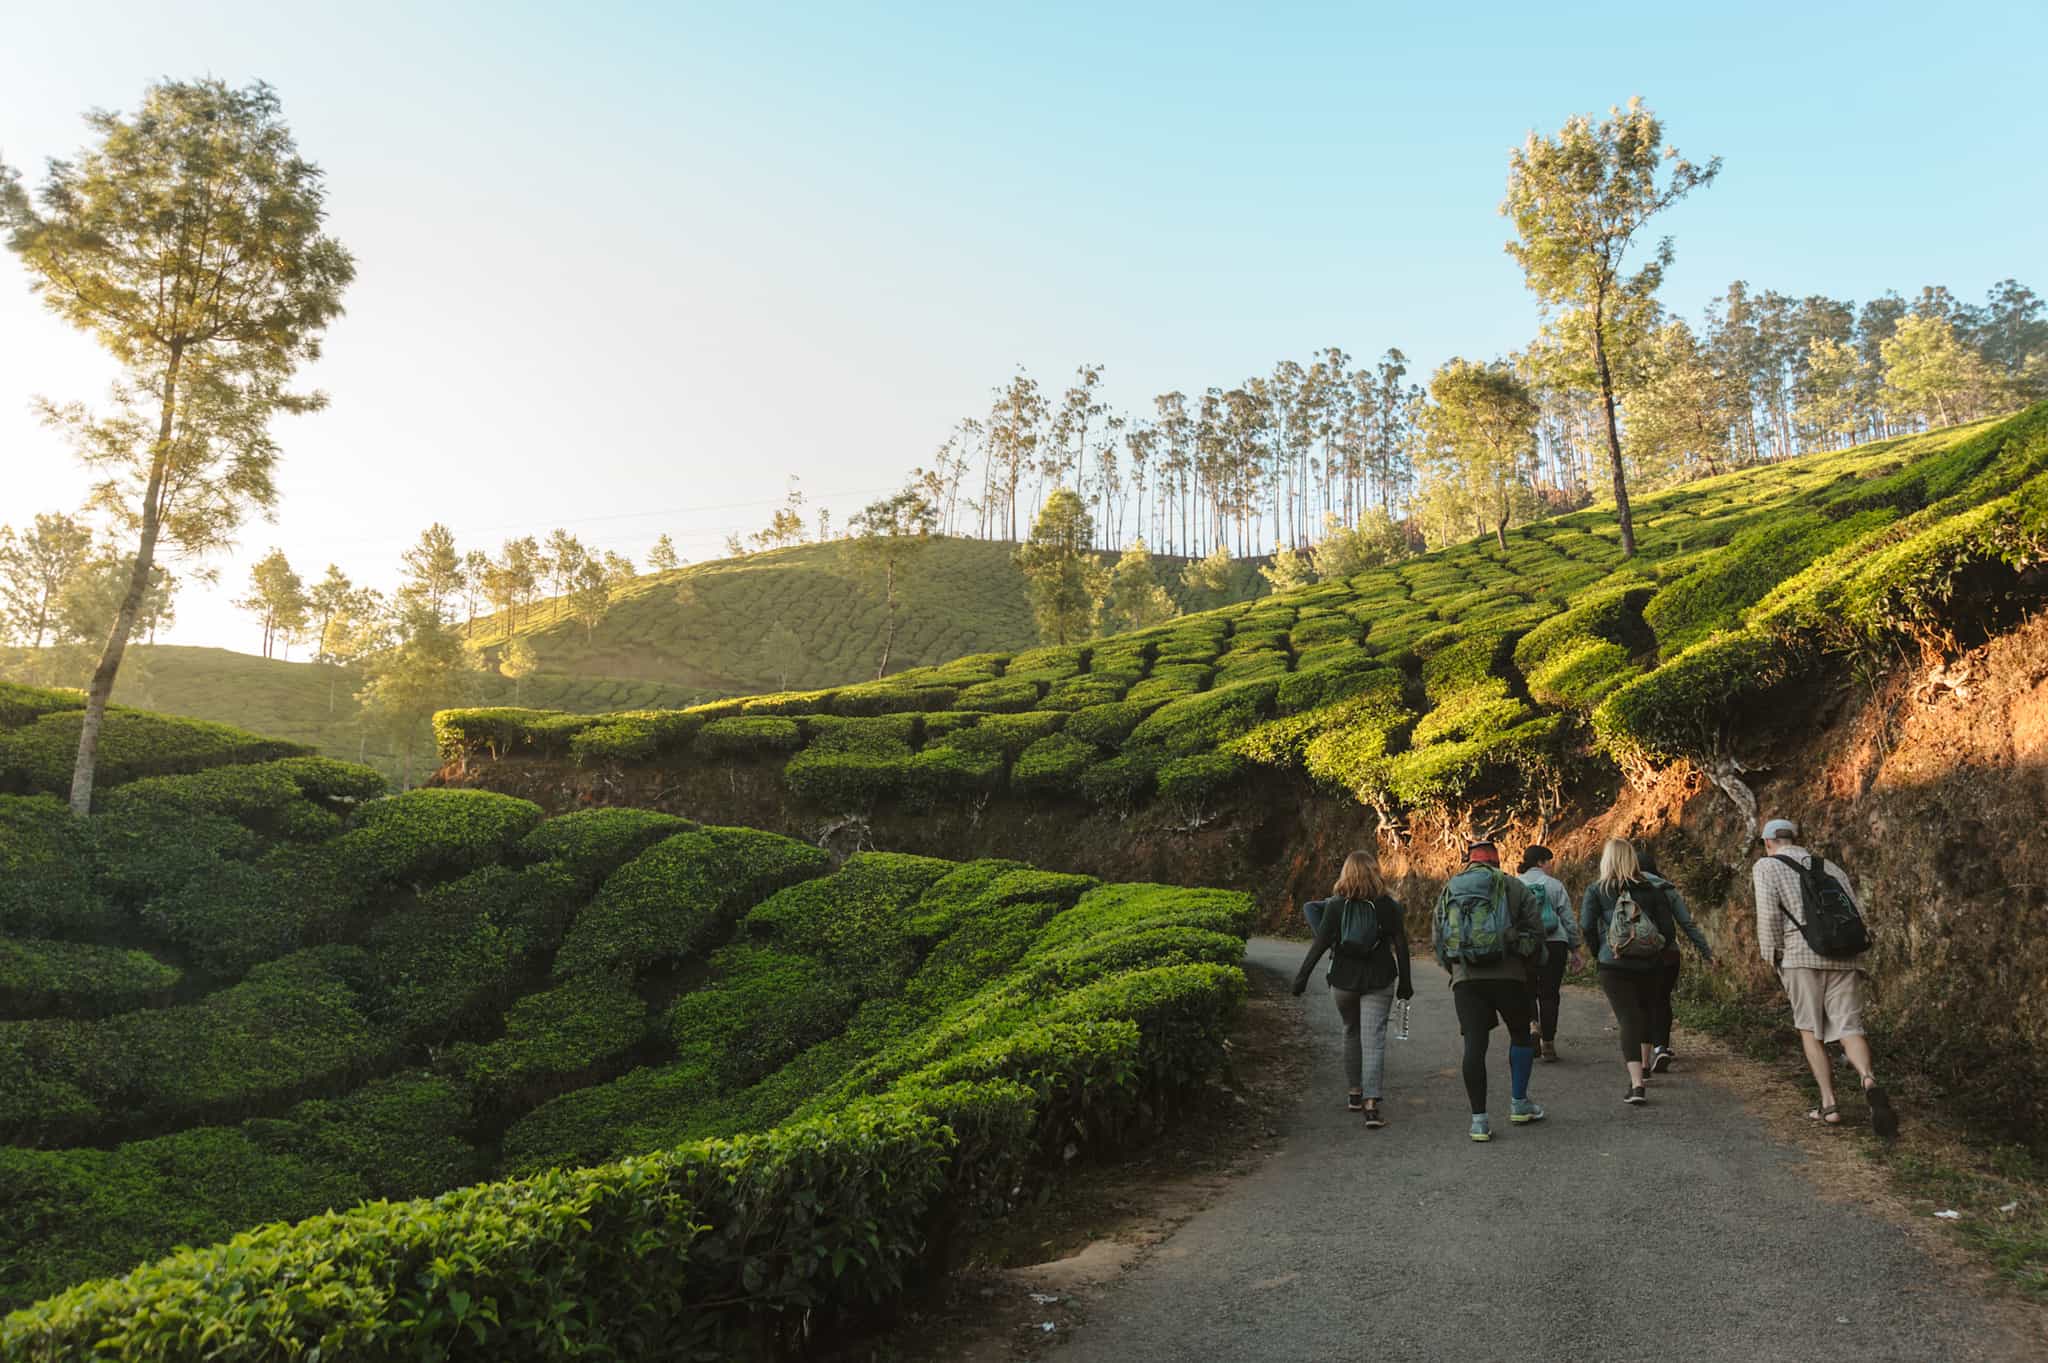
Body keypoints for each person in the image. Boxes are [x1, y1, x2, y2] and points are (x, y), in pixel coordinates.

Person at [1754, 817, 1897, 1138]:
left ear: (1767, 843)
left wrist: (1772, 956)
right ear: (1797, 837)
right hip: (1844, 956)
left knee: (1810, 1030)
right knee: (1849, 1027)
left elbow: (1768, 916)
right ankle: (1868, 1078)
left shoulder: (1765, 867)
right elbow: (1855, 912)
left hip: (1800, 957)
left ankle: (1829, 1104)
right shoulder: (1830, 867)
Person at [1432, 840, 1549, 1142]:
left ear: (1468, 861)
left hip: (1466, 979)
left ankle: (1479, 1122)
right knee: (1520, 1035)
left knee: (1474, 1045)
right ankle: (1519, 1104)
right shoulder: (1512, 886)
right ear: (1496, 861)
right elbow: (1536, 932)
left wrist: (1457, 970)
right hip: (1509, 976)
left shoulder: (1450, 889)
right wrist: (1525, 963)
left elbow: (1438, 938)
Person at [1293, 850, 1414, 1128]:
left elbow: (1319, 944)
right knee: (1373, 1039)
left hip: (1343, 980)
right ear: (1375, 872)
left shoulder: (1336, 905)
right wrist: (1405, 984)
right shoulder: (1388, 906)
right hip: (1379, 979)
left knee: (1351, 1031)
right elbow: (1402, 947)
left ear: (1346, 873)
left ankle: (1354, 1094)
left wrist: (1301, 979)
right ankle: (1371, 1106)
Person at [1579, 837, 1692, 1106]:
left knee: (1628, 1018)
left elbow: (1585, 925)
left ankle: (1637, 1084)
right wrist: (1655, 951)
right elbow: (1668, 930)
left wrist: (1600, 952)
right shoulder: (1653, 890)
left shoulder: (1597, 890)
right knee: (1646, 1010)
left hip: (1613, 963)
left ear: (1607, 860)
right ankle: (1644, 1065)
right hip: (1650, 963)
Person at [1635, 843, 1712, 1074]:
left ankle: (1643, 1057)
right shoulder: (1667, 888)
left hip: (1637, 956)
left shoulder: (1625, 887)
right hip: (1668, 954)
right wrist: (1706, 952)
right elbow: (1686, 923)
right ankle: (1661, 1047)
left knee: (1642, 1004)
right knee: (1661, 1000)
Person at [1515, 844, 1581, 1061]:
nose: (1551, 866)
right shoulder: (1554, 885)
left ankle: (1533, 1024)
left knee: (1527, 991)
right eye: (1549, 861)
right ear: (1541, 862)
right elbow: (1568, 919)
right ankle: (1549, 1044)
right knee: (1550, 993)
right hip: (1555, 943)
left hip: (1525, 945)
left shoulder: (1514, 886)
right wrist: (1575, 948)